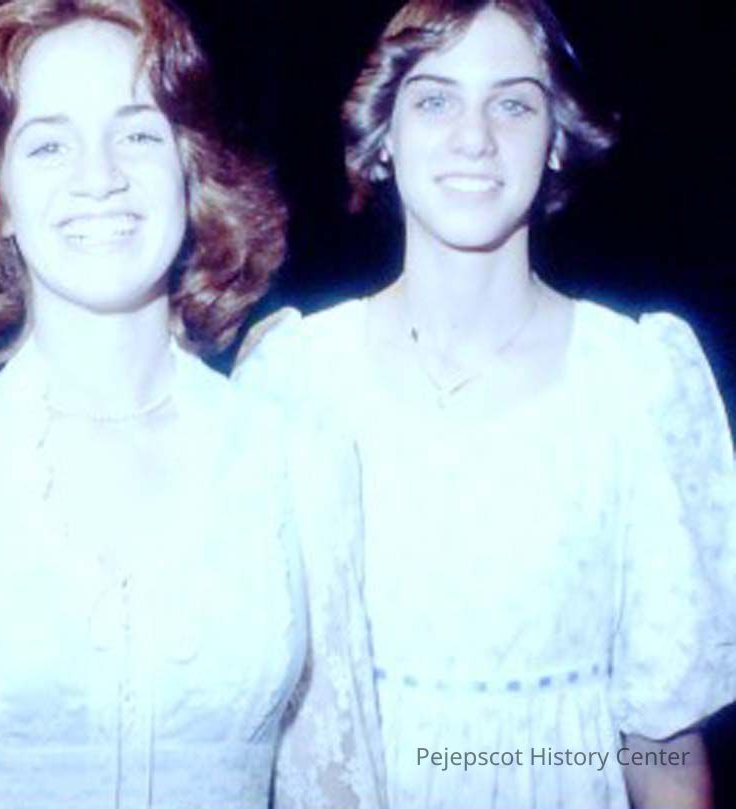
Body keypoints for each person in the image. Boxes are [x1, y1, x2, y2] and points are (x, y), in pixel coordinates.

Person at [0, 1, 386, 806]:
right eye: (49, 144)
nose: (99, 177)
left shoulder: (300, 464)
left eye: (137, 135)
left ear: (189, 171)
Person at [235, 0, 736, 807]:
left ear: (557, 138)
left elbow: (665, 749)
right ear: (385, 134)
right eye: (435, 99)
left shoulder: (634, 383)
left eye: (513, 104)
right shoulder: (294, 380)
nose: (474, 137)